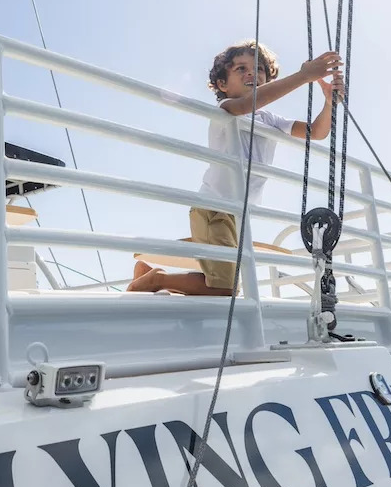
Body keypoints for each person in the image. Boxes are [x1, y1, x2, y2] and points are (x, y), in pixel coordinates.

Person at [127, 40, 342, 296]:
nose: (252, 73)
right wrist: (304, 76)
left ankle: (149, 273)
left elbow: (316, 132)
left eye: (259, 69)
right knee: (226, 288)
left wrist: (329, 103)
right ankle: (155, 280)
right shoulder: (226, 108)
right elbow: (245, 105)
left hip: (237, 215)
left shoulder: (269, 119)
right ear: (222, 85)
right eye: (241, 69)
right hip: (214, 208)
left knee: (224, 284)